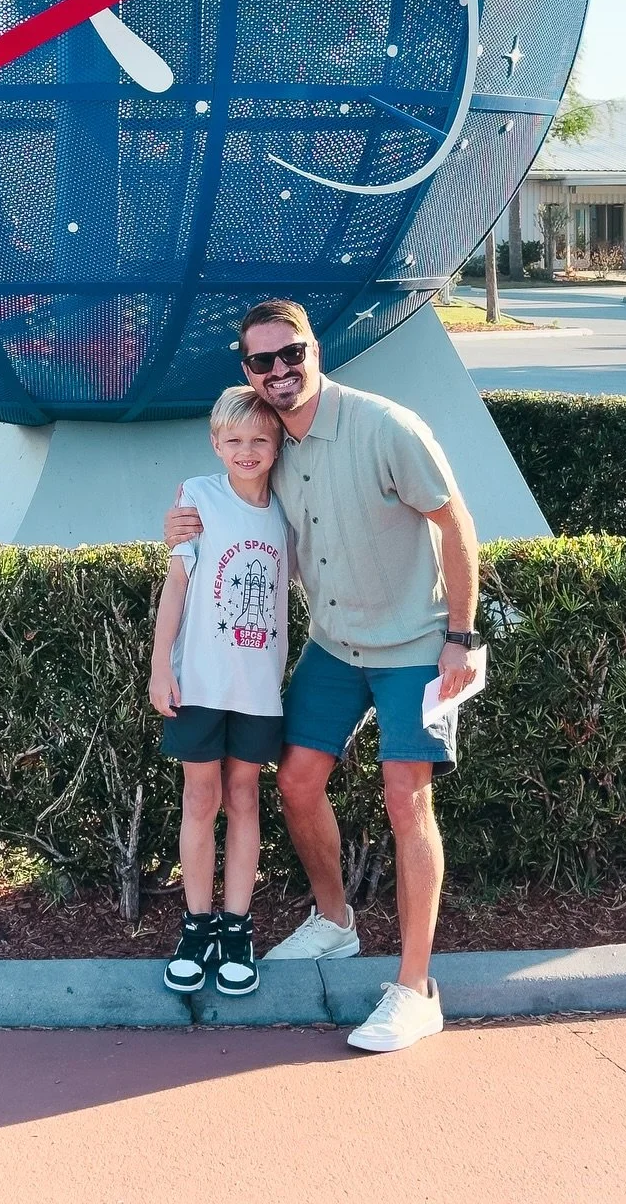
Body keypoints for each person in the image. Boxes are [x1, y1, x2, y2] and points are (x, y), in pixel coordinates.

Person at [164, 298, 481, 1053]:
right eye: (263, 361)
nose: (279, 371)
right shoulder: (274, 446)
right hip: (335, 647)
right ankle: (336, 923)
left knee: (407, 799)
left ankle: (414, 989)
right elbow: (235, 508)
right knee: (296, 781)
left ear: (315, 349)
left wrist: (462, 639)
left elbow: (456, 523)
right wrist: (181, 526)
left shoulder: (386, 427)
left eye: (292, 354)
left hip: (414, 646)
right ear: (248, 370)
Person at [149, 384, 293, 998]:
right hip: (201, 682)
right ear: (215, 443)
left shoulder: (290, 508)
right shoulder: (197, 497)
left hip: (258, 687)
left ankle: (236, 927)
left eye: (260, 439)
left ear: (279, 443)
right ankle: (197, 924)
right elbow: (177, 586)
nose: (247, 450)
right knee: (199, 799)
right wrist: (161, 664)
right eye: (233, 440)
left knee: (245, 798)